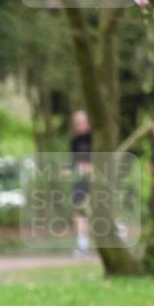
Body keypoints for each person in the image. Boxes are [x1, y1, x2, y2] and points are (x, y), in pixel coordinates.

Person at [68, 109, 92, 258]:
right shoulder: (75, 141)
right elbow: (72, 162)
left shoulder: (96, 138)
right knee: (78, 211)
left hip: (98, 180)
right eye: (76, 123)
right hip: (80, 180)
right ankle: (82, 245)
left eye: (81, 122)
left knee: (103, 209)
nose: (79, 126)